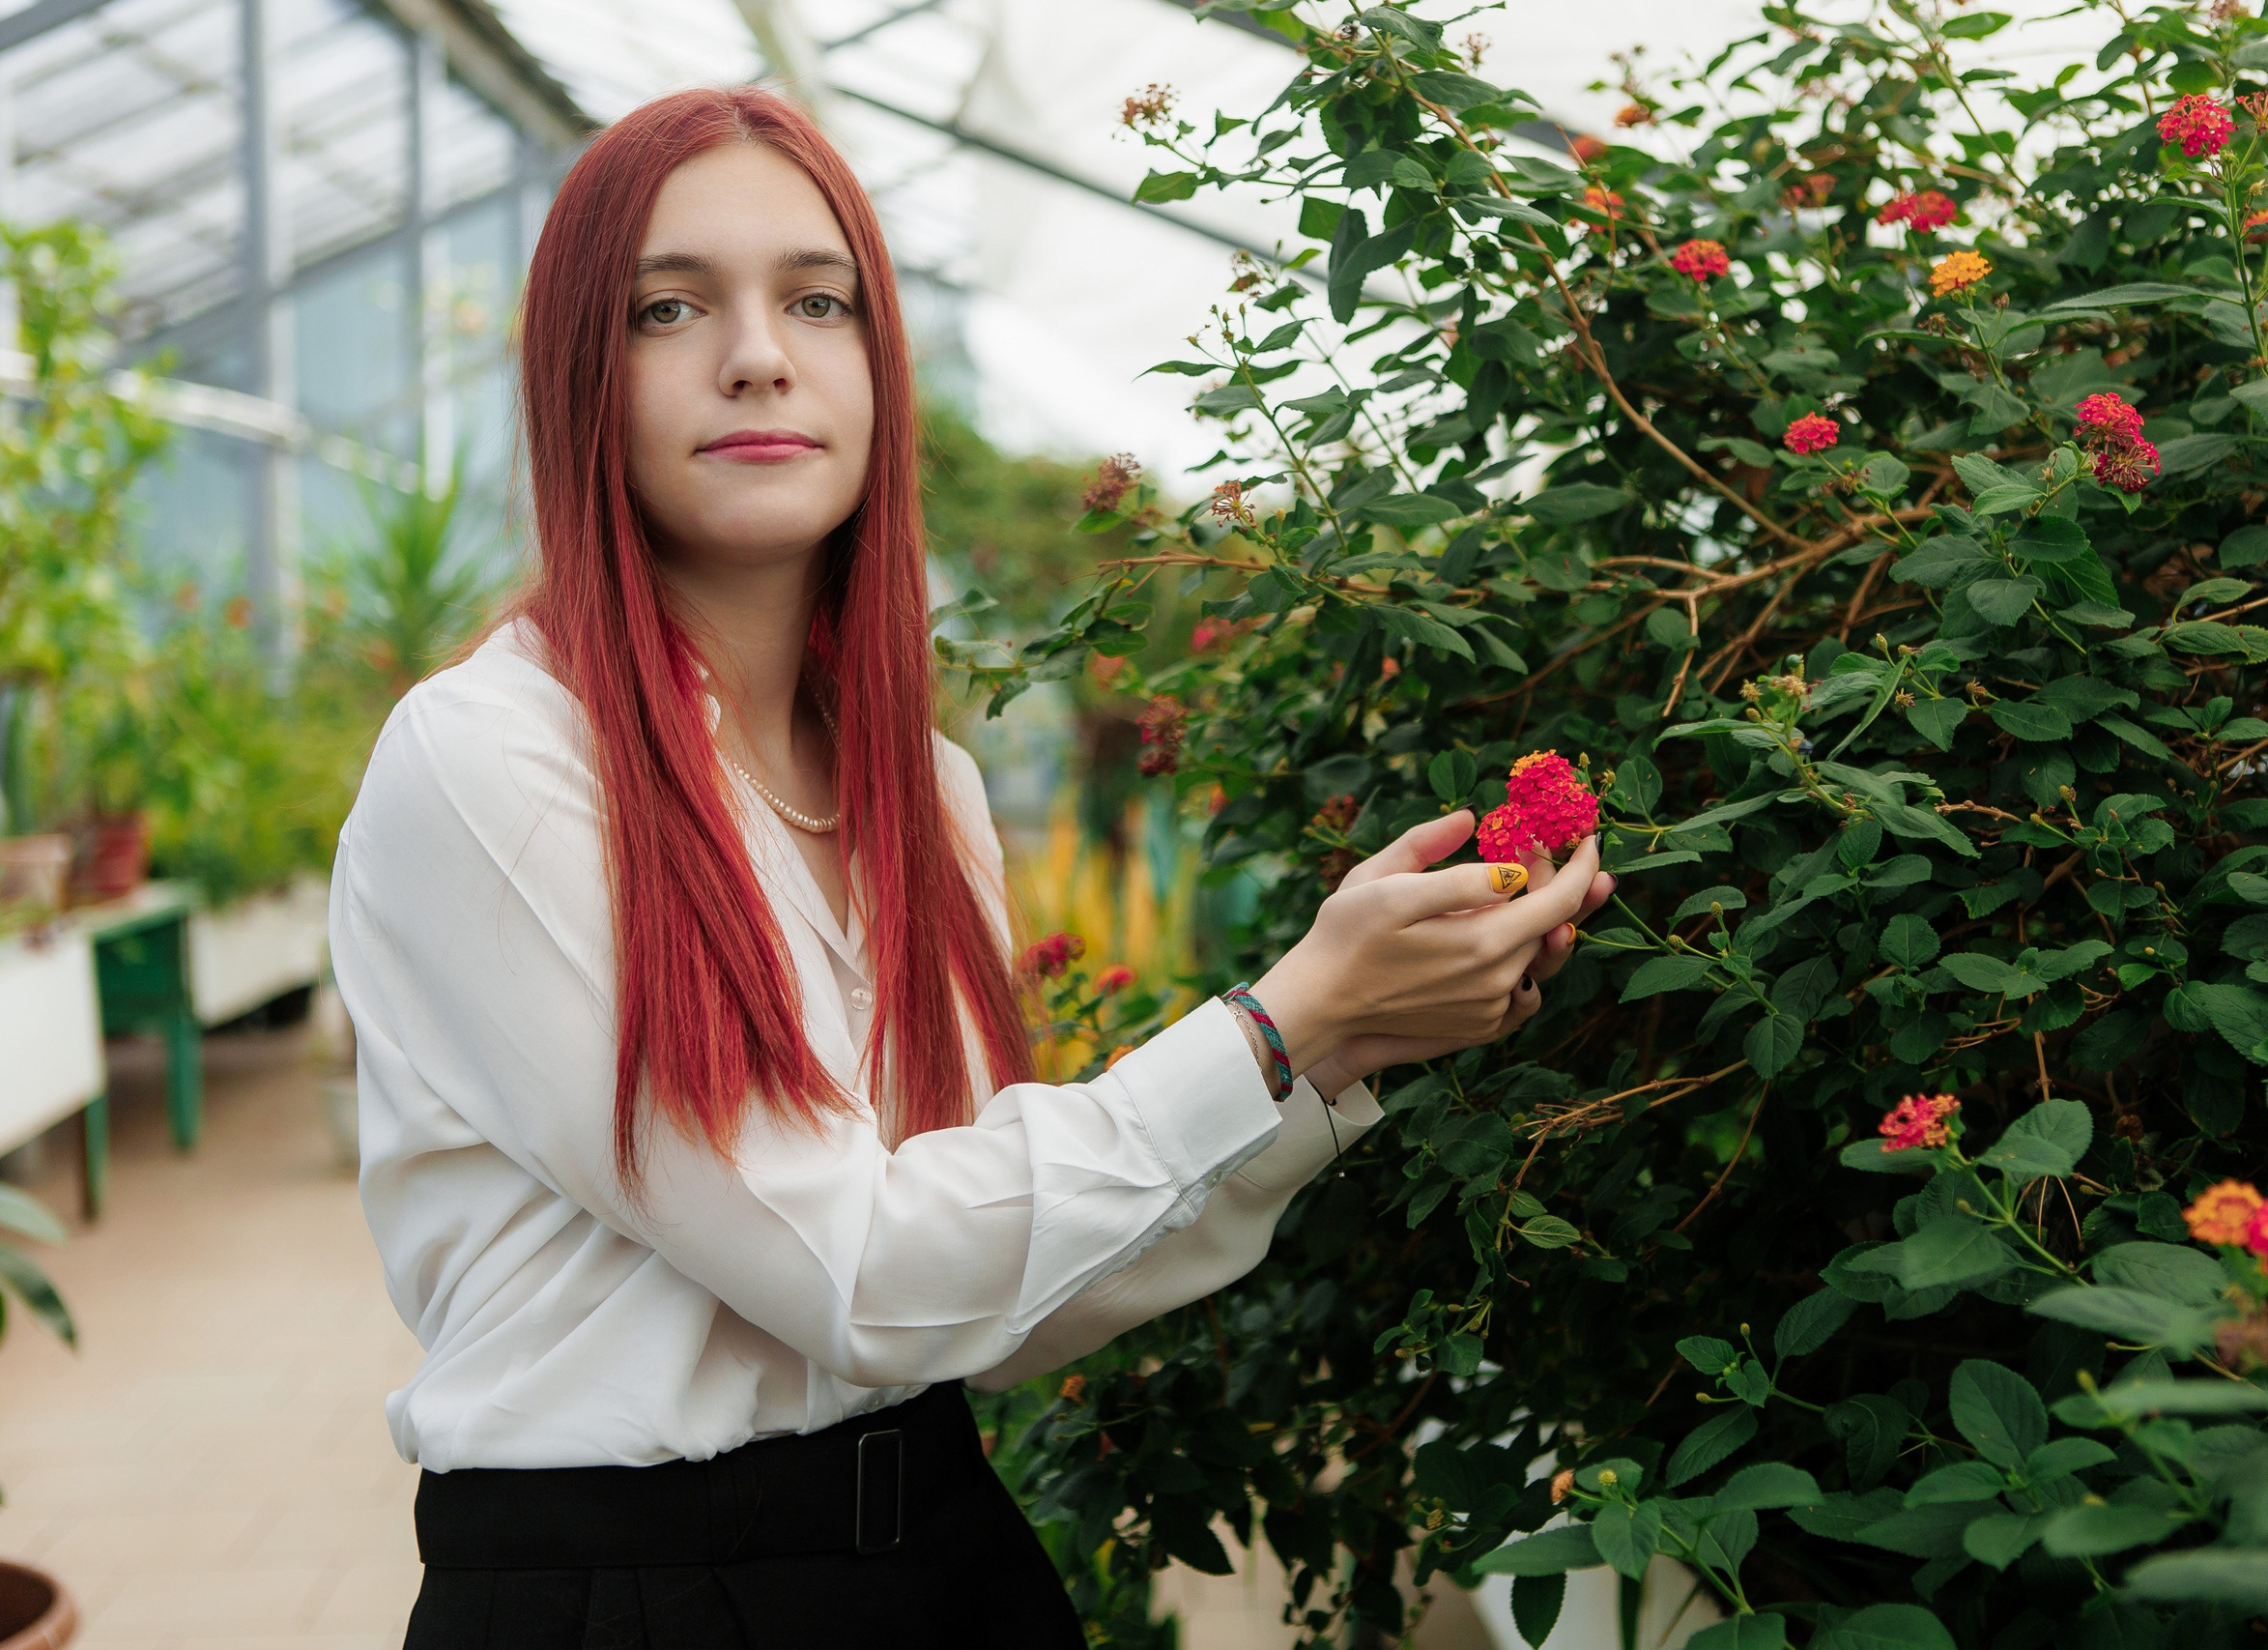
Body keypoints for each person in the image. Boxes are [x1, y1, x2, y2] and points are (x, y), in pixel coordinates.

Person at [330, 86, 1612, 1647]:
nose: (758, 351)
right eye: (670, 307)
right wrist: (1273, 1023)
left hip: (934, 1554)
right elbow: (855, 1274)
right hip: (628, 1592)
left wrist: (1339, 1048)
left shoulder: (915, 789)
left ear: (881, 369)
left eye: (820, 300)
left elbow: (974, 1317)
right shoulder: (494, 761)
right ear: (577, 376)